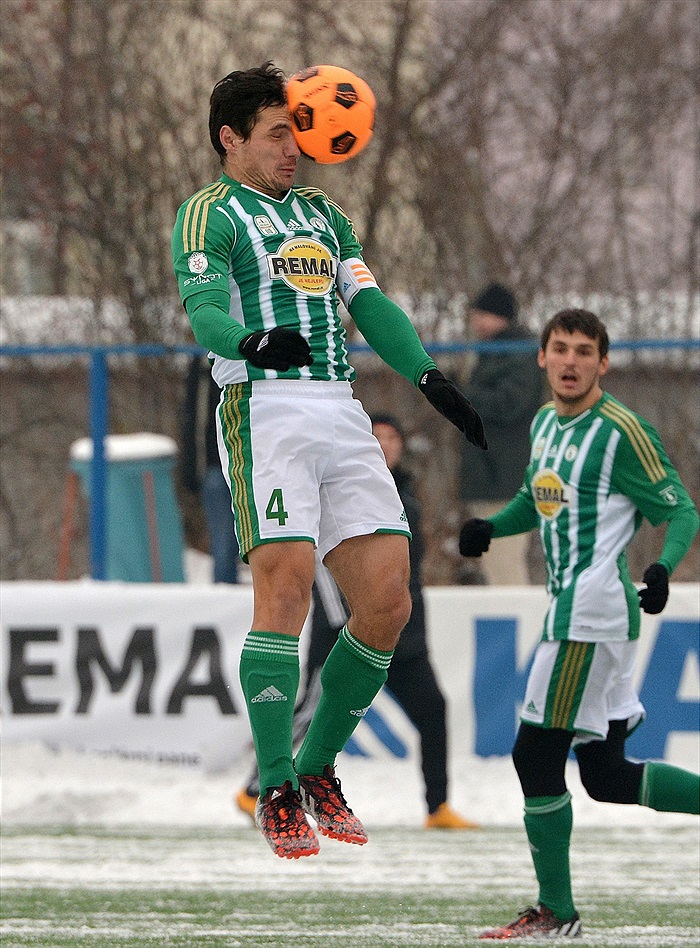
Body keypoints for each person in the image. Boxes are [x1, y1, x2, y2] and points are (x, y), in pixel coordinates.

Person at [171, 63, 487, 860]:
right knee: (284, 589)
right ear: (230, 138)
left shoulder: (324, 214)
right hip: (264, 411)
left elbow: (369, 304)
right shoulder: (208, 214)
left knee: (388, 602)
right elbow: (204, 308)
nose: (295, 147)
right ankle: (274, 783)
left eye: (298, 131)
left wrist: (426, 373)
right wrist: (249, 342)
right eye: (279, 133)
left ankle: (316, 769)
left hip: (340, 410)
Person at [459, 308, 700, 939]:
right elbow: (541, 502)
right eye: (560, 349)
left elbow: (679, 510)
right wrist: (494, 526)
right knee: (606, 775)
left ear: (603, 363)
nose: (570, 361)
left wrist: (663, 569)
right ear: (541, 357)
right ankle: (555, 909)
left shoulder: (621, 430)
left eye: (584, 351)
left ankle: (556, 912)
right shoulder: (544, 423)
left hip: (590, 615)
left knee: (534, 753)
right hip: (574, 610)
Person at [235, 415, 479, 830]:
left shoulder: (405, 493)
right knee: (308, 712)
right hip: (343, 631)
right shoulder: (335, 483)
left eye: (392, 437)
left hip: (401, 634)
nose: (385, 445)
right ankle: (260, 787)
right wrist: (339, 617)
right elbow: (320, 557)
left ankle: (437, 806)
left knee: (433, 710)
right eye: (376, 437)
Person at [458, 283, 543, 585]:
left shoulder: (518, 353)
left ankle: (519, 629)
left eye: (483, 314)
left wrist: (463, 396)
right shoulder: (493, 353)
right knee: (496, 566)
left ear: (502, 316)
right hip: (492, 475)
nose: (476, 321)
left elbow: (509, 404)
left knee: (505, 568)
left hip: (504, 478)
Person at [181, 353, 240, 583]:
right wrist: (192, 469)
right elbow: (192, 420)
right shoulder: (204, 366)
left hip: (248, 465)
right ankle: (227, 600)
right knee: (224, 541)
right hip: (216, 469)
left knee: (252, 540)